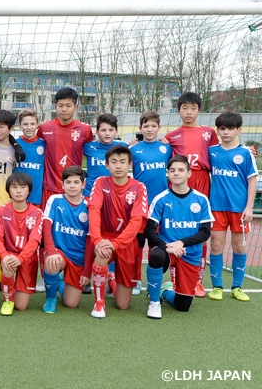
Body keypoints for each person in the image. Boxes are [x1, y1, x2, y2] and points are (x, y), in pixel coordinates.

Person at [145, 156, 213, 319]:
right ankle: (154, 302)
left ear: (189, 173)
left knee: (183, 306)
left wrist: (181, 242)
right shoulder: (161, 198)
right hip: (166, 250)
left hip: (189, 253)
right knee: (156, 255)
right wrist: (168, 246)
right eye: (172, 170)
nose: (176, 174)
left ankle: (165, 291)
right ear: (167, 174)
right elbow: (149, 230)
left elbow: (205, 232)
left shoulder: (201, 199)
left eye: (181, 170)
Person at [165, 91, 218, 297]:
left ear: (199, 109)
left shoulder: (209, 133)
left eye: (193, 108)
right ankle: (176, 280)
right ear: (178, 111)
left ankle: (197, 281)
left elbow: (221, 152)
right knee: (176, 229)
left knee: (200, 230)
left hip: (201, 179)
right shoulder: (171, 136)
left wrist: (246, 149)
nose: (188, 112)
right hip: (178, 181)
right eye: (184, 108)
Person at [88, 145, 147, 318]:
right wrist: (97, 240)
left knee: (122, 305)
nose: (118, 166)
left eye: (122, 162)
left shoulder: (139, 187)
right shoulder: (100, 182)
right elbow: (94, 210)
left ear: (130, 164)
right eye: (114, 162)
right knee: (102, 253)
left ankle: (111, 279)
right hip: (105, 237)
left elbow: (136, 221)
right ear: (107, 165)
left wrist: (117, 243)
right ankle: (99, 303)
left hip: (127, 242)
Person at [207, 111, 257, 303]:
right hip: (217, 207)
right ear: (218, 130)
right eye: (222, 128)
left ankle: (237, 287)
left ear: (239, 130)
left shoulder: (245, 153)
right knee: (217, 245)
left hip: (239, 209)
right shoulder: (212, 151)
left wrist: (250, 208)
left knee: (239, 247)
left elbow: (252, 180)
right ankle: (217, 286)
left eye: (230, 129)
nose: (225, 132)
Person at [130, 111, 173, 296]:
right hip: (140, 204)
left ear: (159, 128)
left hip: (161, 205)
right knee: (138, 243)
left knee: (158, 244)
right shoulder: (133, 149)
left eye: (153, 126)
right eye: (146, 126)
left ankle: (156, 281)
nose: (149, 129)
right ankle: (136, 279)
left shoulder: (167, 148)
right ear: (140, 129)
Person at [41, 166, 92, 314]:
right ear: (62, 184)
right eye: (68, 182)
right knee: (52, 262)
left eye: (76, 182)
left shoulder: (89, 206)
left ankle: (58, 282)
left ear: (83, 184)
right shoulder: (55, 200)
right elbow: (46, 227)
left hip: (78, 257)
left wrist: (87, 270)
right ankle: (50, 299)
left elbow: (90, 241)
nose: (72, 185)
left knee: (71, 304)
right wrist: (50, 252)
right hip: (59, 253)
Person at [0, 172, 43, 316]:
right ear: (8, 190)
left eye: (22, 187)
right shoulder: (1, 211)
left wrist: (21, 258)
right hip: (9, 255)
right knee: (7, 265)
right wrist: (4, 255)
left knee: (21, 306)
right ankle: (7, 299)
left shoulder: (37, 213)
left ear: (29, 190)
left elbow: (34, 241)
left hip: (27, 259)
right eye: (14, 187)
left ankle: (13, 289)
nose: (19, 190)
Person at [37, 87, 93, 208]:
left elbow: (95, 150)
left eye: (68, 105)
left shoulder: (85, 129)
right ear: (55, 106)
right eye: (60, 105)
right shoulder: (45, 128)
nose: (64, 109)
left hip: (73, 187)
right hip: (49, 187)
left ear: (76, 107)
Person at [82, 113, 126, 199]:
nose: (107, 133)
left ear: (116, 131)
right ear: (97, 132)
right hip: (90, 193)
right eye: (103, 130)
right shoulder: (88, 146)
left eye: (111, 130)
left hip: (114, 194)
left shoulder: (123, 146)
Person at [14, 109, 45, 209]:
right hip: (17, 195)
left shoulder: (44, 144)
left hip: (36, 195)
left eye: (32, 124)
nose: (29, 127)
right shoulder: (14, 143)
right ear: (19, 125)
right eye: (25, 124)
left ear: (37, 125)